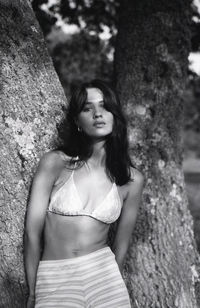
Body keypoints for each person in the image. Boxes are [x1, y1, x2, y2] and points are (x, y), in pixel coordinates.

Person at [24, 79, 144, 308]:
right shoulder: (55, 163)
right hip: (56, 279)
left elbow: (122, 244)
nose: (98, 114)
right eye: (88, 109)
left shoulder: (132, 179)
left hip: (105, 279)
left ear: (114, 116)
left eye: (104, 106)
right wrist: (32, 291)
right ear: (78, 122)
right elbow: (32, 233)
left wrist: (114, 280)